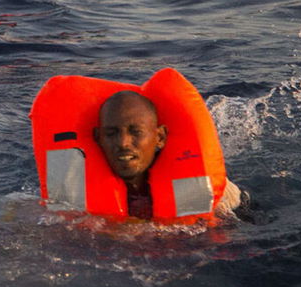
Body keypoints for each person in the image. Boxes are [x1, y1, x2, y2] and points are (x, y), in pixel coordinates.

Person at [94, 90, 247, 221]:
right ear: (98, 137)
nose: (123, 143)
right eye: (111, 133)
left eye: (136, 132)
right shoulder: (74, 187)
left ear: (159, 137)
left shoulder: (211, 186)